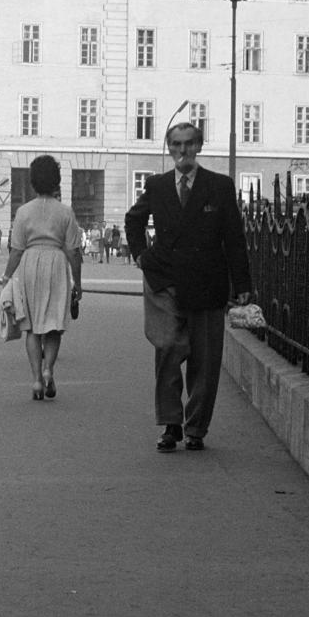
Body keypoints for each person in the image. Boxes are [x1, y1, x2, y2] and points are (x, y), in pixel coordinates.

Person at [124, 120, 254, 453]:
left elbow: (234, 239)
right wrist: (140, 254)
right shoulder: (158, 186)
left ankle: (196, 427)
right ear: (169, 149)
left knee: (206, 361)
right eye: (176, 145)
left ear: (199, 147)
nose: (182, 151)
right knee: (167, 350)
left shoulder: (219, 186)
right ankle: (170, 424)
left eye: (188, 144)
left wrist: (242, 284)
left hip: (208, 283)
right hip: (165, 280)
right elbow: (133, 219)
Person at [1, 154, 82, 401]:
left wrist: (6, 276)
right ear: (56, 182)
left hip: (30, 265)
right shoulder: (66, 212)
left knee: (33, 328)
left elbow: (16, 250)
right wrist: (77, 283)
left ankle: (36, 379)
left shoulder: (24, 212)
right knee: (54, 325)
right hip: (57, 265)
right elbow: (73, 252)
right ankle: (49, 369)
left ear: (33, 182)